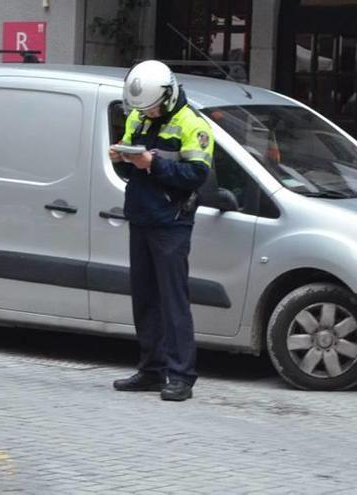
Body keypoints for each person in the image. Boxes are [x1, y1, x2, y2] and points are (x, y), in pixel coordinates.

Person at [109, 60, 213, 402]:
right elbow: (128, 149)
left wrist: (154, 164)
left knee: (173, 302)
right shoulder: (138, 114)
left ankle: (181, 376)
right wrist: (119, 156)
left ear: (167, 96)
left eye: (152, 106)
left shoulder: (192, 124)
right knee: (145, 300)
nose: (146, 113)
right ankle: (151, 370)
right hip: (141, 216)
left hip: (171, 221)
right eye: (142, 108)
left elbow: (196, 175)